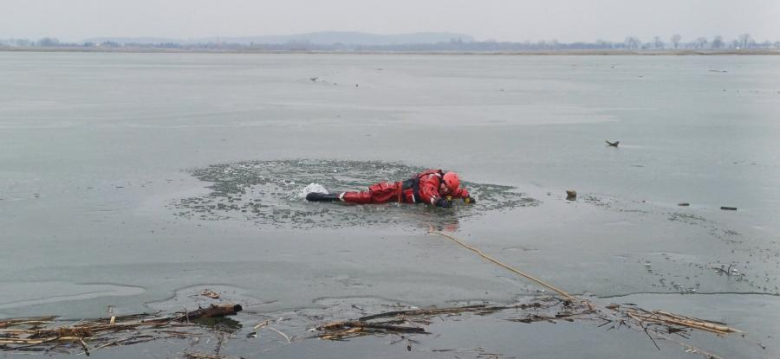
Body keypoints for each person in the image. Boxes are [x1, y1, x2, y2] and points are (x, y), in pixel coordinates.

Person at [306, 170, 475, 208]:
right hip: (394, 192)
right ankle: (330, 197)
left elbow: (458, 192)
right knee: (365, 199)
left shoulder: (447, 187)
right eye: (445, 187)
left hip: (400, 200)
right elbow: (428, 193)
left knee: (367, 201)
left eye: (448, 189)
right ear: (443, 180)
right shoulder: (431, 181)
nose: (445, 190)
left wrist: (467, 198)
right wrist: (439, 202)